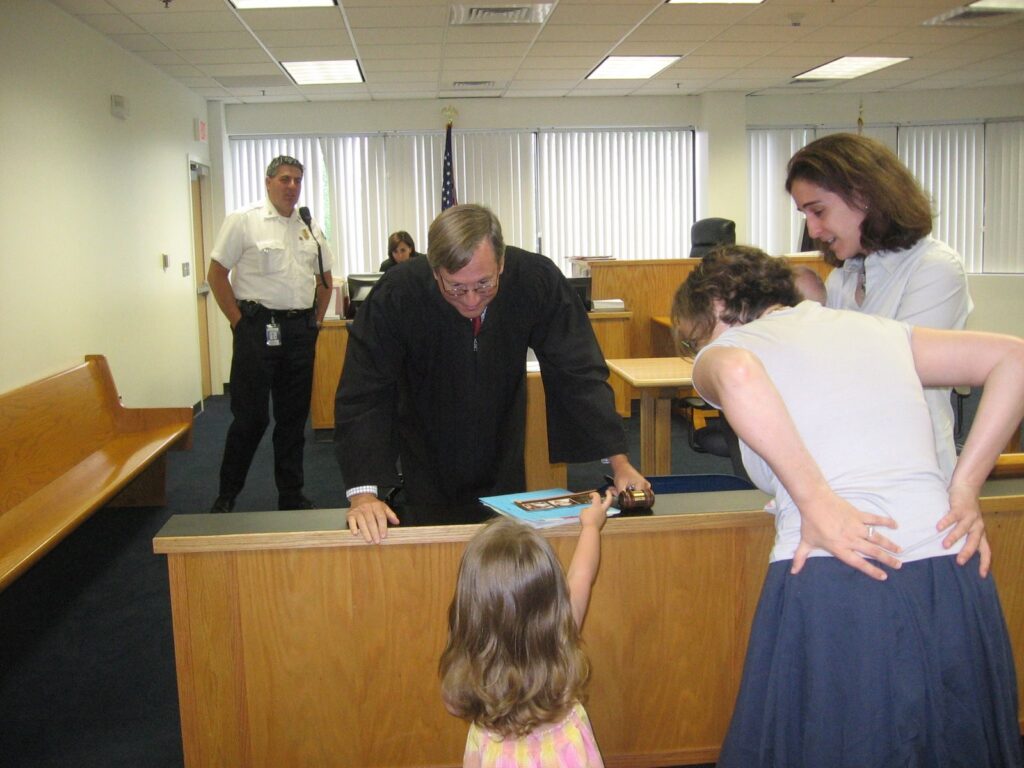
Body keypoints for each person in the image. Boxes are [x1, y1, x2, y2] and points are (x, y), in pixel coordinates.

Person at [672, 245, 1024, 768]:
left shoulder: (730, 348)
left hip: (841, 571)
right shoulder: (880, 330)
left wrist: (817, 501)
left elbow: (741, 375)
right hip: (950, 564)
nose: (696, 347)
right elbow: (1014, 357)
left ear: (718, 305)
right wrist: (964, 486)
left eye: (694, 335)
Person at [335, 203, 647, 543]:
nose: (471, 300)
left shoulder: (534, 279)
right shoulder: (398, 294)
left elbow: (578, 371)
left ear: (501, 263)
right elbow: (365, 392)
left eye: (484, 284)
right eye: (455, 287)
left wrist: (619, 463)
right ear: (434, 270)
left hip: (504, 455)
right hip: (424, 456)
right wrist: (363, 494)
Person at [786, 133, 972, 480]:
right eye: (805, 215)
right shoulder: (844, 278)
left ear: (864, 196)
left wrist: (812, 317)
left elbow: (893, 370)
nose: (812, 229)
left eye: (819, 211)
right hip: (848, 464)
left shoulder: (934, 268)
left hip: (914, 470)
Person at [439, 490, 614, 767]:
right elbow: (582, 574)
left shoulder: (465, 675)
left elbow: (453, 705)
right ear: (551, 601)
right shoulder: (562, 637)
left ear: (470, 610)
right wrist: (591, 525)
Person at [207, 155, 335, 513]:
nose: (291, 186)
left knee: (293, 420)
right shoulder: (244, 222)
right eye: (284, 179)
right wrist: (237, 321)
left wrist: (317, 321)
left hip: (298, 332)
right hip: (257, 329)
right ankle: (227, 494)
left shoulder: (309, 227)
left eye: (297, 180)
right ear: (268, 182)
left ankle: (291, 494)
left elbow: (326, 281)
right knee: (250, 418)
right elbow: (216, 275)